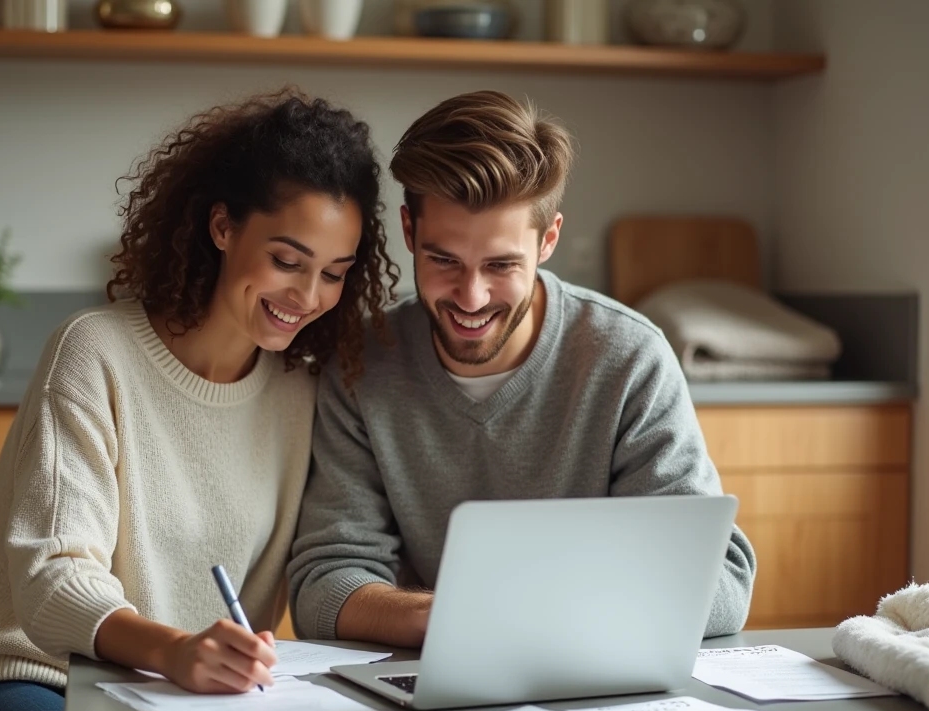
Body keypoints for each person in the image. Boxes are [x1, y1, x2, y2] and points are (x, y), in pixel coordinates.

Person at [0, 90, 397, 711]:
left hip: (173, 705)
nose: (310, 295)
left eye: (334, 272)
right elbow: (52, 582)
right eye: (289, 260)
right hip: (11, 683)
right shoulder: (95, 352)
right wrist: (177, 653)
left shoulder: (302, 391)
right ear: (223, 227)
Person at [288, 90, 756, 647]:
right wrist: (452, 617)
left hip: (597, 683)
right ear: (410, 232)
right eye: (443, 260)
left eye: (501, 264)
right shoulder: (363, 364)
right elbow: (323, 586)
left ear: (549, 239)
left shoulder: (629, 359)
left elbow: (720, 585)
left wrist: (517, 613)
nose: (471, 296)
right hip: (424, 681)